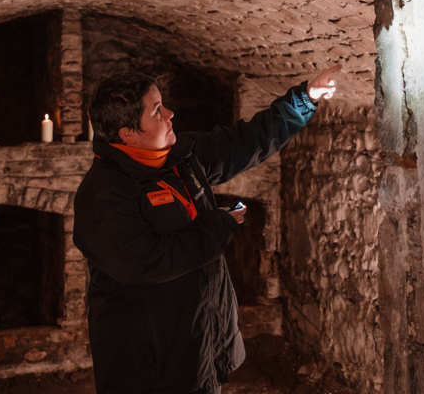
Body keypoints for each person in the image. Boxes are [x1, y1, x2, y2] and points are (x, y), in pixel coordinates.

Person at [73, 65, 341, 394]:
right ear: (128, 133)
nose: (170, 113)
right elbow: (145, 263)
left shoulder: (180, 157)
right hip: (151, 371)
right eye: (157, 110)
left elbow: (246, 141)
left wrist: (305, 99)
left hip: (199, 344)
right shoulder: (103, 196)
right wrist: (218, 227)